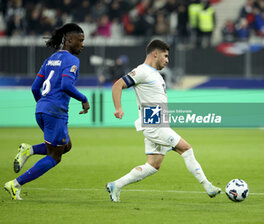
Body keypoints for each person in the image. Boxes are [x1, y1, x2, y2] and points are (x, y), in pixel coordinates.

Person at [106, 39, 221, 202]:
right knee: (186, 149)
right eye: (165, 56)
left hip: (158, 122)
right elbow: (117, 85)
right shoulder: (142, 71)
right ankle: (208, 186)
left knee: (153, 165)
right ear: (155, 54)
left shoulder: (156, 75)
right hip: (153, 124)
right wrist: (118, 108)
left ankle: (116, 185)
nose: (167, 60)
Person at [4, 23, 90, 200]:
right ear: (69, 40)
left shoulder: (50, 60)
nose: (83, 44)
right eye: (80, 40)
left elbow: (35, 87)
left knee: (66, 146)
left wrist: (43, 104)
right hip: (55, 112)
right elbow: (66, 85)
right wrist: (84, 99)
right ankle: (16, 184)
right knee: (55, 156)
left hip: (42, 110)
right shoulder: (72, 60)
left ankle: (29, 150)